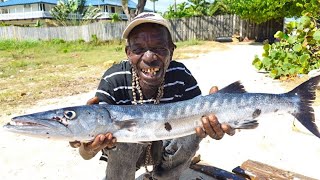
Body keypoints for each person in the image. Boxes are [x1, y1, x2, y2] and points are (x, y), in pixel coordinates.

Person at [70, 12, 235, 180]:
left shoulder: (181, 75)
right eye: (138, 49)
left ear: (171, 51)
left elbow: (203, 121)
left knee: (194, 126)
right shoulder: (114, 80)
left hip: (166, 147)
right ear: (128, 53)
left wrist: (215, 117)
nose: (149, 57)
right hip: (125, 157)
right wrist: (88, 146)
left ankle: (165, 177)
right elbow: (85, 154)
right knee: (123, 130)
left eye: (159, 48)